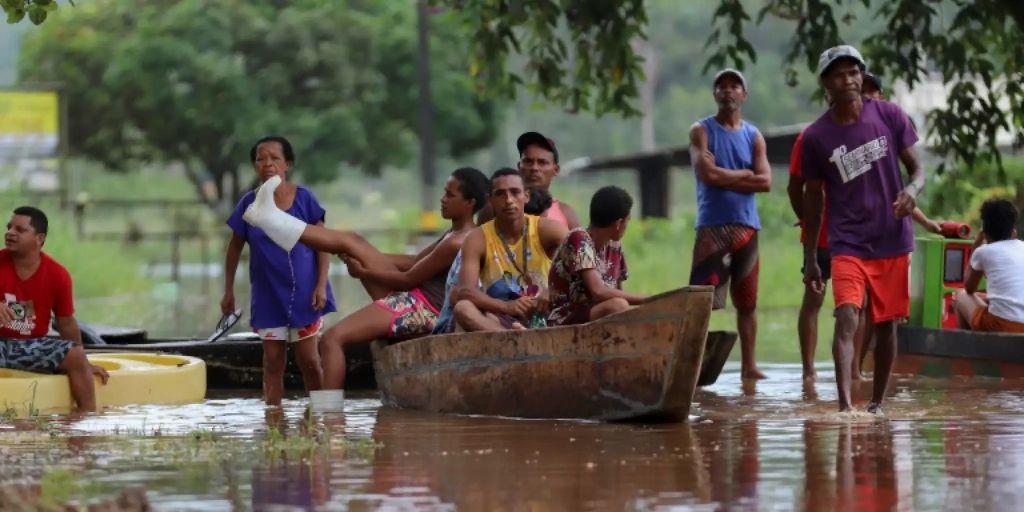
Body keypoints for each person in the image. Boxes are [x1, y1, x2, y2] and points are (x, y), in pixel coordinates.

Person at [241, 166, 489, 390]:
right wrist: (363, 252)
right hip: (416, 298)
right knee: (353, 241)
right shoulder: (454, 233)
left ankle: (329, 420)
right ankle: (269, 219)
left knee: (331, 340)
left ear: (470, 203)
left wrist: (364, 272)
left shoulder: (459, 240)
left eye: (450, 195)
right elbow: (414, 262)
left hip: (425, 310)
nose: (442, 199)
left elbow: (407, 279)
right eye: (443, 192)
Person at [787, 74, 942, 381]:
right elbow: (799, 187)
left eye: (869, 91)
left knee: (860, 308)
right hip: (826, 232)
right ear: (830, 91)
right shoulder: (814, 136)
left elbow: (893, 190)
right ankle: (809, 374)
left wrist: (923, 219)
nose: (861, 95)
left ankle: (855, 371)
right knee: (818, 299)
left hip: (869, 237)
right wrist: (806, 220)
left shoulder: (884, 127)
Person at [222, 135, 336, 407]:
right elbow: (234, 248)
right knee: (272, 362)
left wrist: (321, 285)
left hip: (305, 291)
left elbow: (324, 245)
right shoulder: (249, 204)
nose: (267, 164)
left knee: (309, 360)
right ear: (255, 166)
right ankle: (274, 423)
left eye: (274, 158)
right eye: (261, 159)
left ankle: (323, 420)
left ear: (288, 164)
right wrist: (228, 291)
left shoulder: (305, 199)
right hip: (268, 294)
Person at [688, 68, 772, 380]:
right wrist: (745, 175)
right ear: (715, 94)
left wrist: (727, 175)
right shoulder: (702, 130)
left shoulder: (754, 135)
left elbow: (765, 182)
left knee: (747, 303)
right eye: (721, 86)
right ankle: (692, 363)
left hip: (747, 228)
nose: (728, 90)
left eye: (734, 85)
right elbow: (706, 175)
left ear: (744, 94)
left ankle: (749, 366)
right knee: (702, 302)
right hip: (713, 227)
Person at [1, 206, 108, 413]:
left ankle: (86, 422)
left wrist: (82, 363)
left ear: (39, 238)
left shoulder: (58, 275)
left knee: (75, 355)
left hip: (29, 346)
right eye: (9, 227)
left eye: (20, 230)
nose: (10, 233)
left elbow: (66, 322)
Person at [452, 168, 569, 331]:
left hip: (547, 316)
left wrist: (553, 288)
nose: (508, 200)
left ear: (526, 196)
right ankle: (513, 339)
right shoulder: (477, 238)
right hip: (501, 320)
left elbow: (580, 257)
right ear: (490, 200)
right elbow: (465, 291)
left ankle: (517, 340)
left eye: (515, 192)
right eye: (500, 194)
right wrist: (506, 307)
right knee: (463, 309)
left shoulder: (549, 229)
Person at [432, 186, 553, 335]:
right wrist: (506, 306)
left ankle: (516, 338)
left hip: (512, 320)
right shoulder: (480, 242)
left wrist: (549, 292)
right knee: (472, 312)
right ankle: (516, 340)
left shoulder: (541, 247)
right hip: (478, 318)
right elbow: (458, 294)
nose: (542, 227)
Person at [547, 186, 646, 326]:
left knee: (625, 307)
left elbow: (617, 290)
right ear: (619, 223)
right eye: (627, 221)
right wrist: (647, 299)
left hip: (596, 314)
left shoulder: (614, 246)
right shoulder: (579, 239)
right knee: (618, 306)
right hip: (565, 317)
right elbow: (598, 292)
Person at [476, 132, 581, 228]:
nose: (534, 168)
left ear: (556, 170)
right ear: (519, 166)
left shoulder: (566, 214)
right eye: (528, 161)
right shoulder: (494, 209)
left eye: (542, 162)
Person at [954, 199, 1024, 333]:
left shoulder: (984, 251)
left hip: (1001, 325)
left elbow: (969, 288)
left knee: (961, 296)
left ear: (985, 234)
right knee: (985, 298)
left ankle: (966, 350)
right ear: (1013, 231)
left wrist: (976, 245)